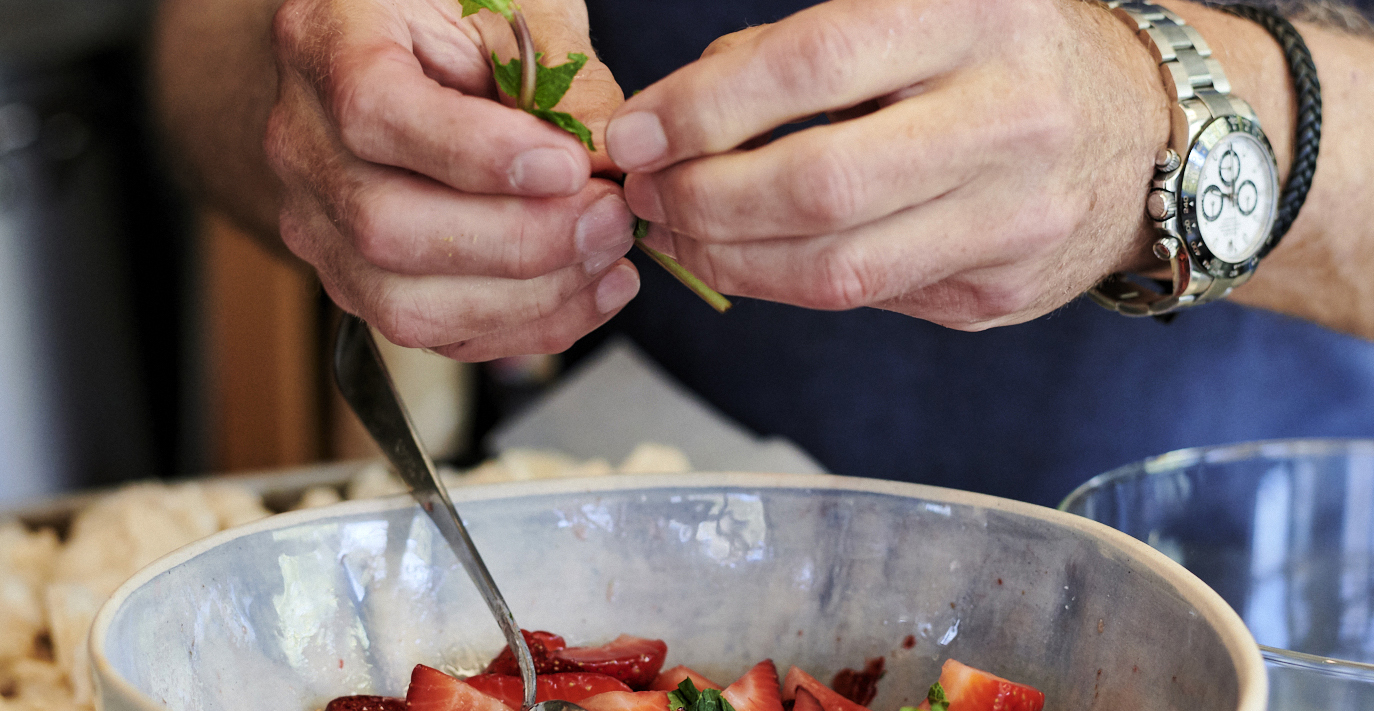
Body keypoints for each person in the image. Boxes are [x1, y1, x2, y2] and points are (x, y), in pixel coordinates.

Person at [152, 0, 1374, 505]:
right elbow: (196, 47)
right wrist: (337, 106)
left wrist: (1190, 120)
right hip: (622, 569)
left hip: (1302, 649)